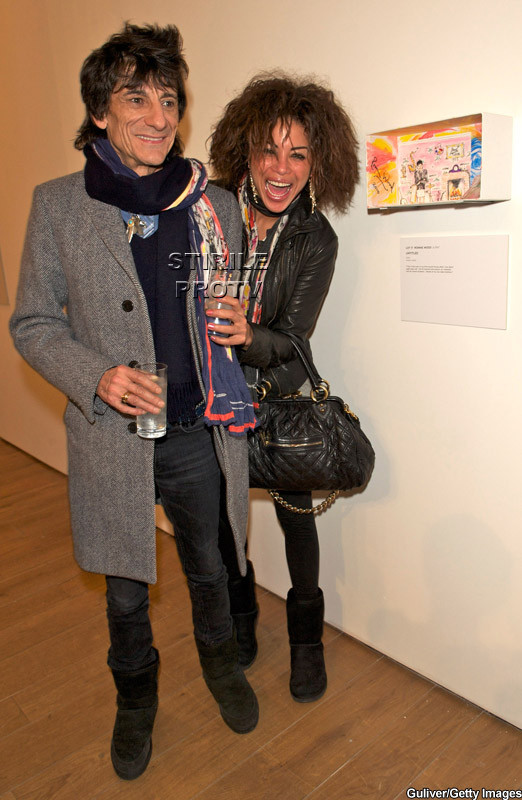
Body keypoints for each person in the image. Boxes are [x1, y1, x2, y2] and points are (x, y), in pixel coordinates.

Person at [10, 23, 259, 782]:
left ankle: (221, 667)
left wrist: (237, 322)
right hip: (110, 438)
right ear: (100, 112)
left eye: (169, 100)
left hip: (195, 431)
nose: (158, 117)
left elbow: (226, 307)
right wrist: (98, 376)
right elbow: (32, 322)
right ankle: (136, 700)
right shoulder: (59, 206)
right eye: (136, 99)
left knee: (210, 567)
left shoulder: (213, 204)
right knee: (124, 591)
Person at [208, 74, 360, 703]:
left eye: (298, 154)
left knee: (298, 523)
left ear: (318, 163)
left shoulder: (316, 238)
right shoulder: (210, 209)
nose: (281, 168)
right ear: (244, 149)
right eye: (269, 150)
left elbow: (294, 343)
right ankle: (241, 621)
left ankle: (306, 643)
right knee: (226, 521)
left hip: (278, 397)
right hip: (211, 396)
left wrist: (248, 335)